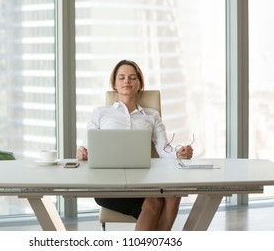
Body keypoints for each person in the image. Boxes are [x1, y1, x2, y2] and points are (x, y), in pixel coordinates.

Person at [76, 59, 193, 231]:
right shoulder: (100, 113)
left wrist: (180, 153)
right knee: (154, 202)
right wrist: (83, 154)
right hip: (108, 183)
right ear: (114, 83)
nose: (127, 81)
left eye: (132, 77)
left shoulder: (151, 116)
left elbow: (164, 149)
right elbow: (87, 149)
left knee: (173, 196)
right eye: (121, 77)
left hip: (142, 181)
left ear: (140, 83)